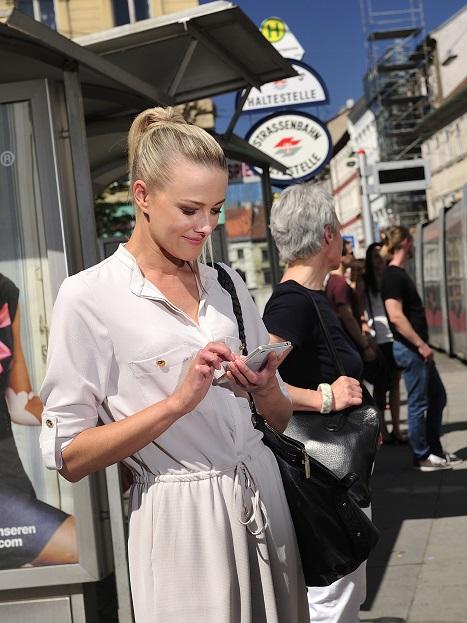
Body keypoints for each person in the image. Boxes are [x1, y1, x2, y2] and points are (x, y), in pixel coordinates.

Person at [38, 107, 307, 622]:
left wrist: (264, 387)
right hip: (180, 520)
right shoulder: (88, 296)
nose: (206, 226)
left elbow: (278, 418)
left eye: (217, 209)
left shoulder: (227, 281)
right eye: (189, 209)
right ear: (142, 196)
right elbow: (69, 456)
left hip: (266, 499)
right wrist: (178, 403)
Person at [262, 183, 368, 623]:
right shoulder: (292, 303)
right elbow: (258, 378)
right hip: (322, 476)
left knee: (344, 591)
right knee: (333, 597)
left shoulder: (312, 298)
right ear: (327, 236)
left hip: (335, 472)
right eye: (339, 228)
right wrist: (326, 397)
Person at [0, 274, 77, 568]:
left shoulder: (5, 291)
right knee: (76, 547)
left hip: (10, 483)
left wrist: (98, 418)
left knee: (81, 550)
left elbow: (20, 404)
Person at [381, 226, 461, 471]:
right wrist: (420, 344)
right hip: (411, 349)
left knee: (438, 397)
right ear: (405, 242)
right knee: (418, 403)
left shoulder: (398, 274)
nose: (414, 247)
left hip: (416, 349)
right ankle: (421, 455)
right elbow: (395, 316)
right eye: (412, 242)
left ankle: (434, 450)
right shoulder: (393, 276)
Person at [362, 242, 404, 445]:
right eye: (376, 258)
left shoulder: (390, 279)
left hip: (393, 337)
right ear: (370, 261)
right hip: (378, 340)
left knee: (395, 383)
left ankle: (396, 428)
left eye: (381, 257)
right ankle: (384, 429)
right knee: (380, 387)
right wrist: (368, 338)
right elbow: (361, 312)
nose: (380, 262)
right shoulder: (365, 283)